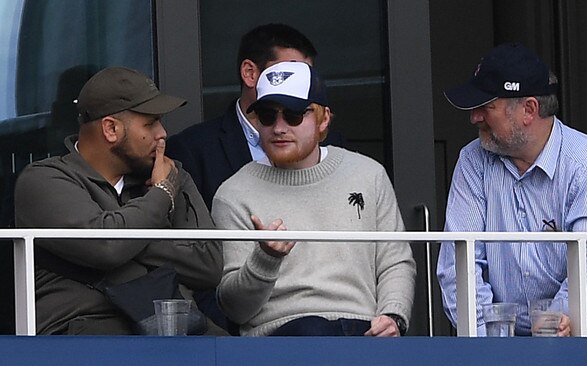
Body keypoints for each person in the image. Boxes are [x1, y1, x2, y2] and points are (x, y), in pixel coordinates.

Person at [436, 42, 587, 336]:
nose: (474, 117)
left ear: (529, 110)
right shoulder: (473, 161)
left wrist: (558, 318)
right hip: (510, 331)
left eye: (486, 107)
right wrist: (484, 339)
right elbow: (459, 262)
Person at [14, 67, 226, 335]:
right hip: (85, 335)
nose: (162, 134)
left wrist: (122, 232)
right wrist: (161, 194)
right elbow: (106, 247)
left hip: (172, 331)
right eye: (150, 123)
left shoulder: (172, 174)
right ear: (111, 129)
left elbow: (208, 266)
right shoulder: (44, 179)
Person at [212, 61, 416, 336]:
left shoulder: (368, 174)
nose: (279, 127)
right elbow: (234, 308)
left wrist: (393, 316)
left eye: (294, 115)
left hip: (364, 331)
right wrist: (265, 258)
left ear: (324, 119)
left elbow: (395, 261)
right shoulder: (233, 193)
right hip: (283, 337)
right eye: (267, 115)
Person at [166, 23, 319, 208]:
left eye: (306, 76)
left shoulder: (328, 144)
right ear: (250, 73)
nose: (300, 84)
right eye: (287, 74)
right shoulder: (192, 150)